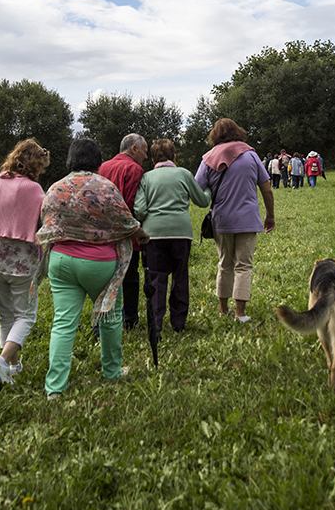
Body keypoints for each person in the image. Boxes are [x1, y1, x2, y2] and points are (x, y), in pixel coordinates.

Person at [36, 139, 149, 397]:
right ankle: (112, 371)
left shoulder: (55, 188)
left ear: (70, 160)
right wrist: (142, 233)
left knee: (63, 323)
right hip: (99, 263)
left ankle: (55, 387)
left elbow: (46, 221)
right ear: (97, 160)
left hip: (61, 261)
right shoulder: (104, 186)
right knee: (109, 317)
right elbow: (125, 221)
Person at [0, 139, 50, 386]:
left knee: (6, 315)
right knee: (26, 316)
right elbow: (45, 225)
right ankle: (2, 361)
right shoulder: (36, 190)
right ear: (35, 164)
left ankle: (12, 368)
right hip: (24, 263)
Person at [195, 118, 275, 323]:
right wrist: (270, 215)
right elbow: (266, 188)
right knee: (244, 265)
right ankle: (240, 313)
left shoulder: (208, 158)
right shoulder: (251, 155)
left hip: (221, 220)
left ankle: (223, 310)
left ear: (215, 135)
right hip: (248, 218)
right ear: (237, 131)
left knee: (225, 264)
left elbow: (197, 188)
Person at [134, 139, 210, 338]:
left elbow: (139, 210)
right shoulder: (184, 174)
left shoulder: (146, 178)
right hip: (181, 232)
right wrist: (209, 190)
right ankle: (178, 323)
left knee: (157, 280)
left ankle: (156, 324)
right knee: (180, 276)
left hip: (153, 235)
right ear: (174, 157)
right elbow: (202, 201)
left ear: (152, 159)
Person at [99, 134, 148, 329]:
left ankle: (104, 316)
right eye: (144, 151)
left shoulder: (103, 167)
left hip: (103, 234)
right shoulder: (134, 169)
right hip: (127, 234)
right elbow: (132, 202)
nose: (146, 156)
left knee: (106, 278)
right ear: (134, 148)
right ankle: (129, 318)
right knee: (130, 276)